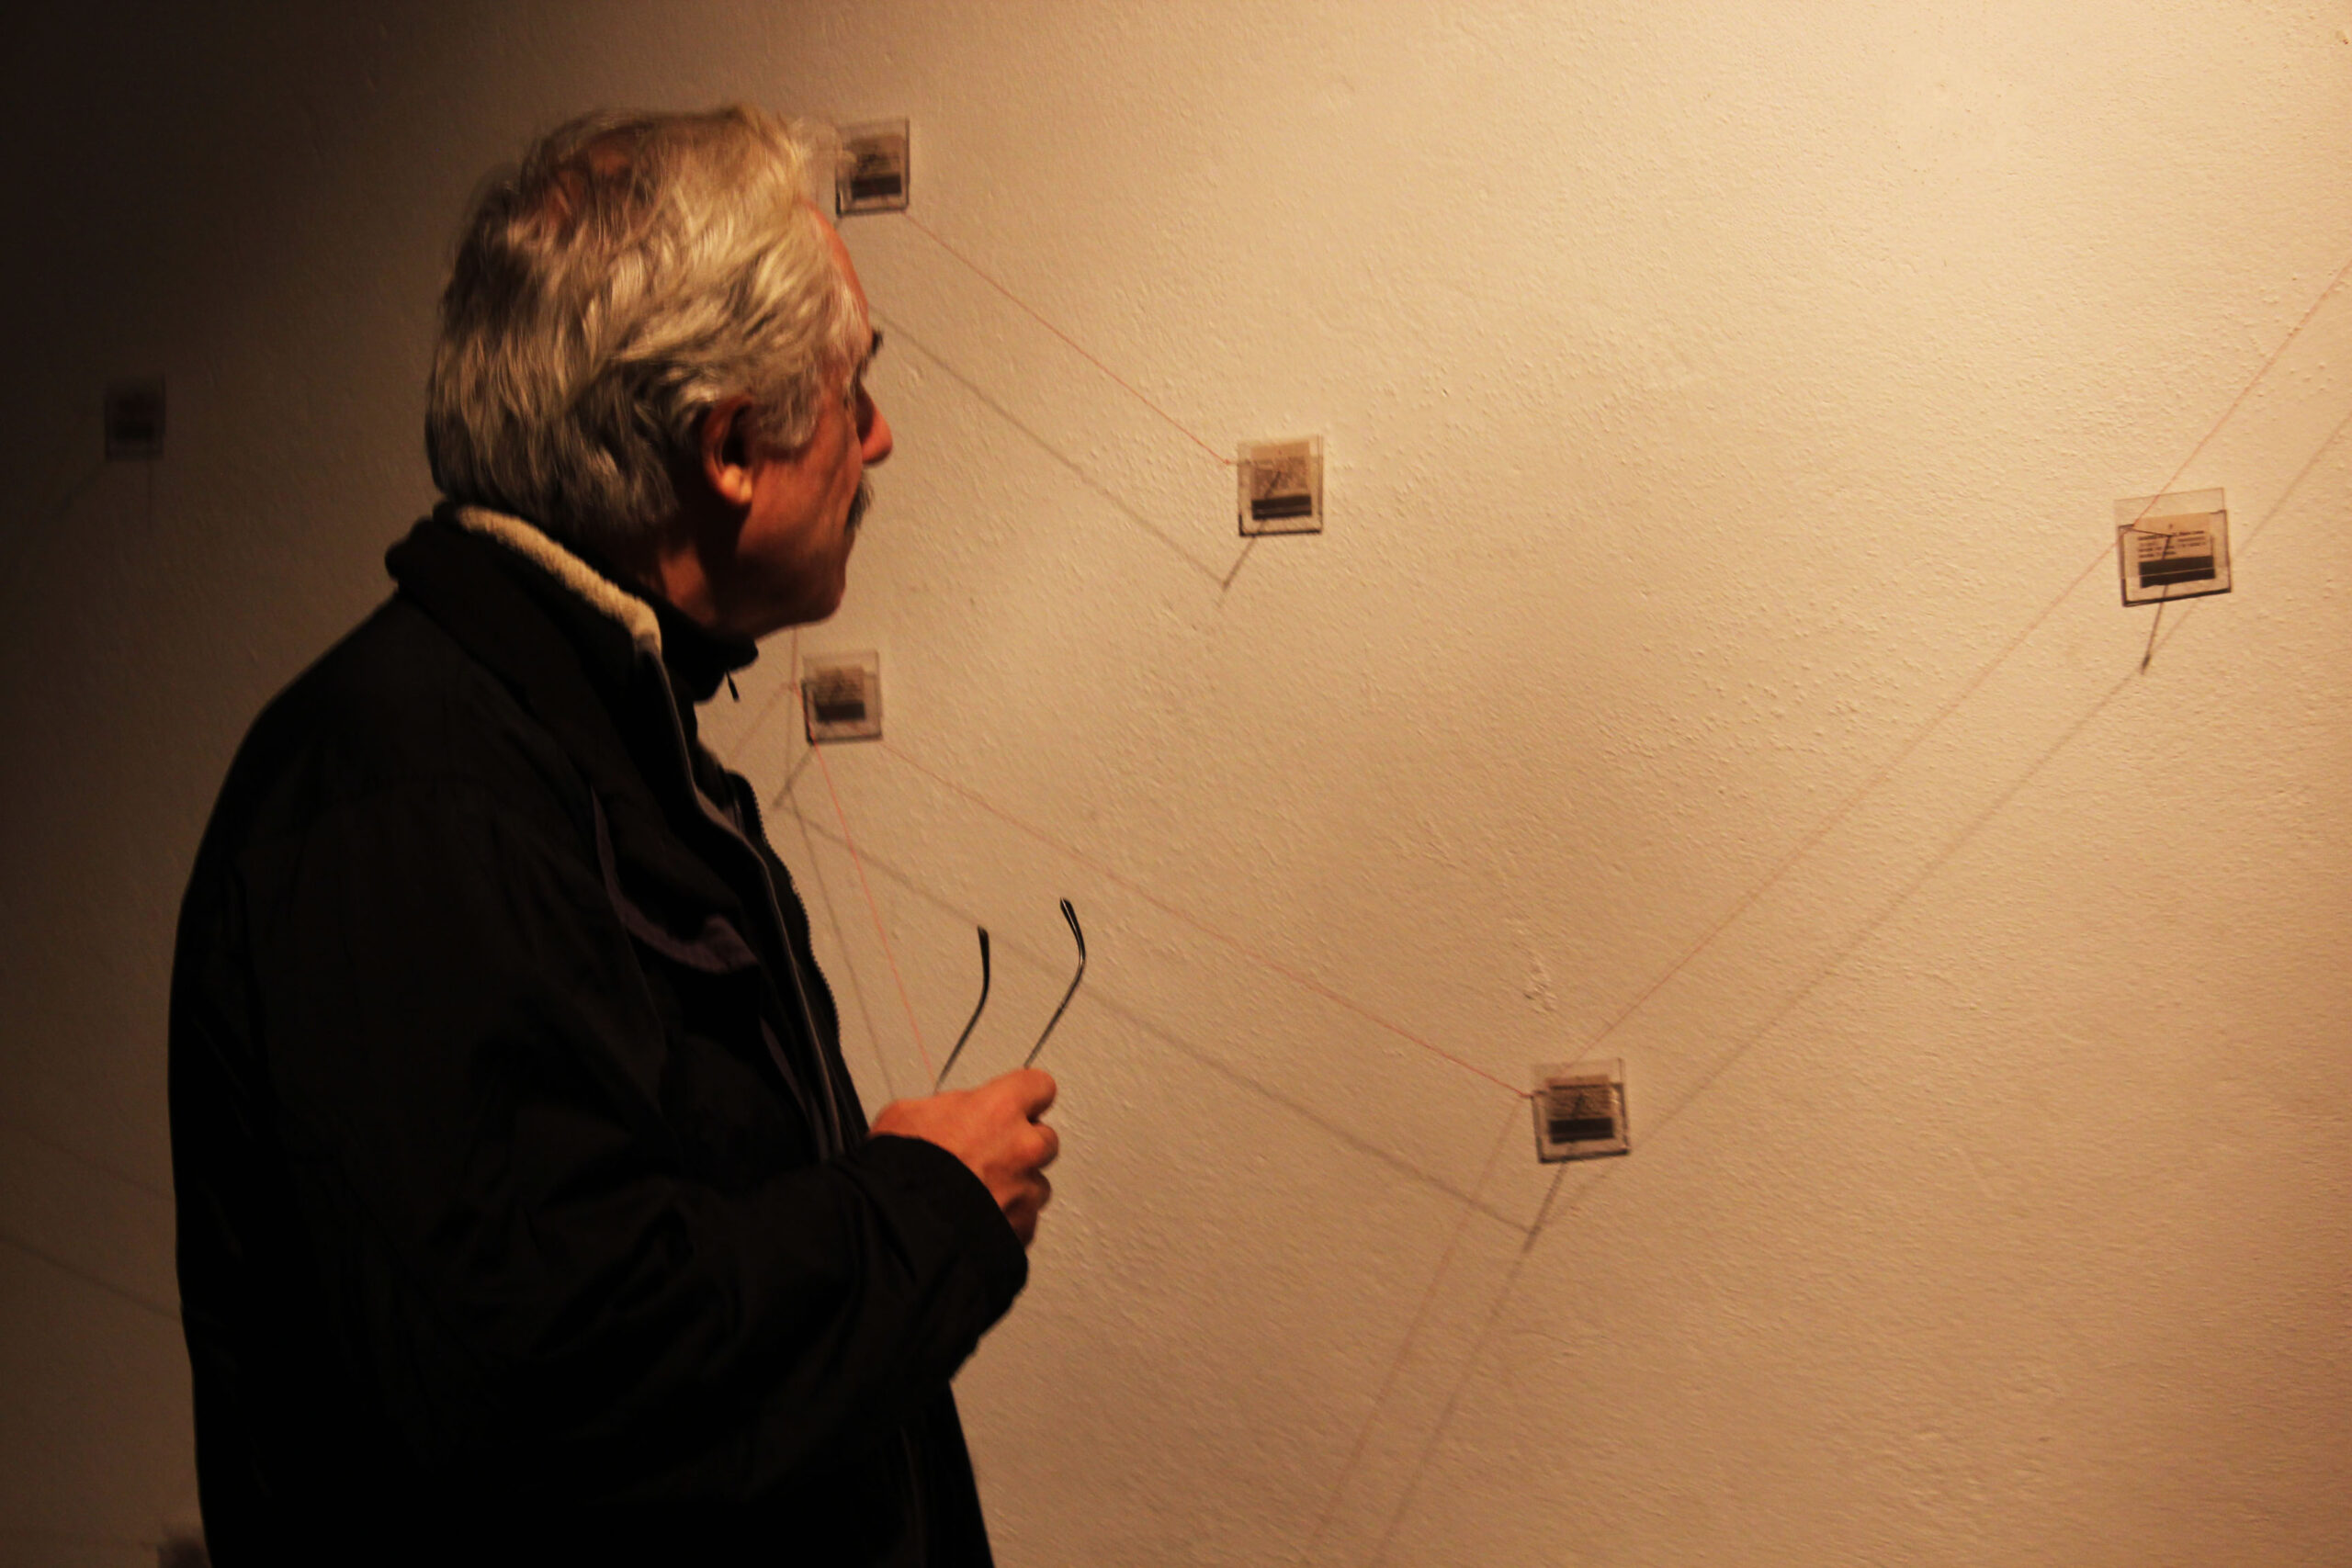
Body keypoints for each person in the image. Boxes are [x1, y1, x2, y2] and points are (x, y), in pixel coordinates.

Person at [168, 106, 1058, 1566]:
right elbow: (564, 1385)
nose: (881, 437)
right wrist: (922, 1213)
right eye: (854, 389)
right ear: (730, 446)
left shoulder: (575, 749)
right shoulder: (415, 797)